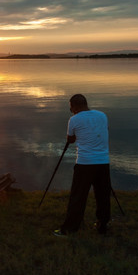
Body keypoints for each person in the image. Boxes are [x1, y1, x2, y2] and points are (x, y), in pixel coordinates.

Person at [54, 94, 111, 236]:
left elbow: (71, 140)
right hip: (103, 162)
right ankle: (102, 225)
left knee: (78, 197)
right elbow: (103, 131)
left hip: (85, 163)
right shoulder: (102, 115)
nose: (71, 111)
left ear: (74, 106)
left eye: (70, 108)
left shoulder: (74, 119)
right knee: (103, 195)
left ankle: (69, 229)